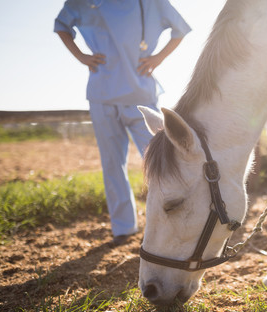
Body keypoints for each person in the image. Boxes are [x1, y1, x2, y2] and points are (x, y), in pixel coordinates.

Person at [54, 0, 191, 246]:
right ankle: (123, 228)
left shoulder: (151, 2)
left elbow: (180, 29)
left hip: (140, 95)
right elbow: (61, 25)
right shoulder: (83, 1)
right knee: (112, 164)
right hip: (102, 95)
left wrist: (158, 58)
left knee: (162, 161)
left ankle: (172, 221)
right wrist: (81, 57)